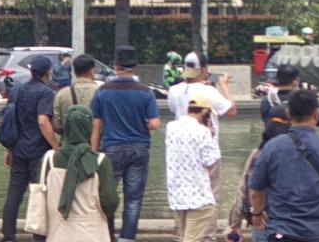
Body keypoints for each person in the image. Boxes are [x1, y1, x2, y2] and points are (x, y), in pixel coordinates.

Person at [249, 89, 319, 242]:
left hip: (282, 232)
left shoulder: (271, 148)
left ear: (289, 113)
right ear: (317, 114)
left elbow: (256, 191)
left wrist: (257, 214)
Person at [90, 45, 160, 242]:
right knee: (134, 198)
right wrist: (141, 122)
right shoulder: (146, 92)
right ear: (134, 66)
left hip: (111, 149)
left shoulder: (102, 91)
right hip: (139, 149)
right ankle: (127, 238)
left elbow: (96, 125)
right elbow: (155, 123)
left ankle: (108, 235)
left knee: (108, 196)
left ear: (116, 66)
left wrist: (93, 152)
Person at [167, 51, 236, 242]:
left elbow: (175, 109)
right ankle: (206, 236)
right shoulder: (209, 92)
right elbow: (231, 110)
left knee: (183, 193)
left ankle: (181, 234)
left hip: (179, 149)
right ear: (204, 70)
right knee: (207, 195)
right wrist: (224, 86)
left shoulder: (174, 90)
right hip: (205, 146)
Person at [3, 54, 59, 242]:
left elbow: (13, 121)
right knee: (39, 194)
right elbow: (43, 122)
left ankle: (8, 235)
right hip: (38, 152)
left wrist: (10, 149)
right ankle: (39, 236)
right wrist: (56, 146)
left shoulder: (19, 90)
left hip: (18, 149)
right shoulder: (46, 93)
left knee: (14, 193)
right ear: (47, 72)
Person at [40, 105, 116, 241]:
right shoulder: (100, 161)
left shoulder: (50, 160)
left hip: (58, 232)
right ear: (88, 128)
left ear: (66, 128)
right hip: (92, 232)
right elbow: (109, 203)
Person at [166, 91, 221, 242]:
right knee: (191, 239)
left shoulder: (171, 127)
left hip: (178, 195)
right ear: (204, 111)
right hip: (199, 197)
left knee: (184, 237)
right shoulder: (203, 132)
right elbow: (211, 161)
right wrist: (212, 136)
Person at [261, 63, 319, 132]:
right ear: (295, 81)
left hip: (275, 138)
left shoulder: (268, 100)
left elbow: (267, 122)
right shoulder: (307, 98)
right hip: (302, 138)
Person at [53, 55, 98, 134]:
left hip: (70, 143)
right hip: (95, 143)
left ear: (74, 72)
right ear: (92, 71)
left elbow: (57, 125)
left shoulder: (62, 94)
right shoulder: (101, 92)